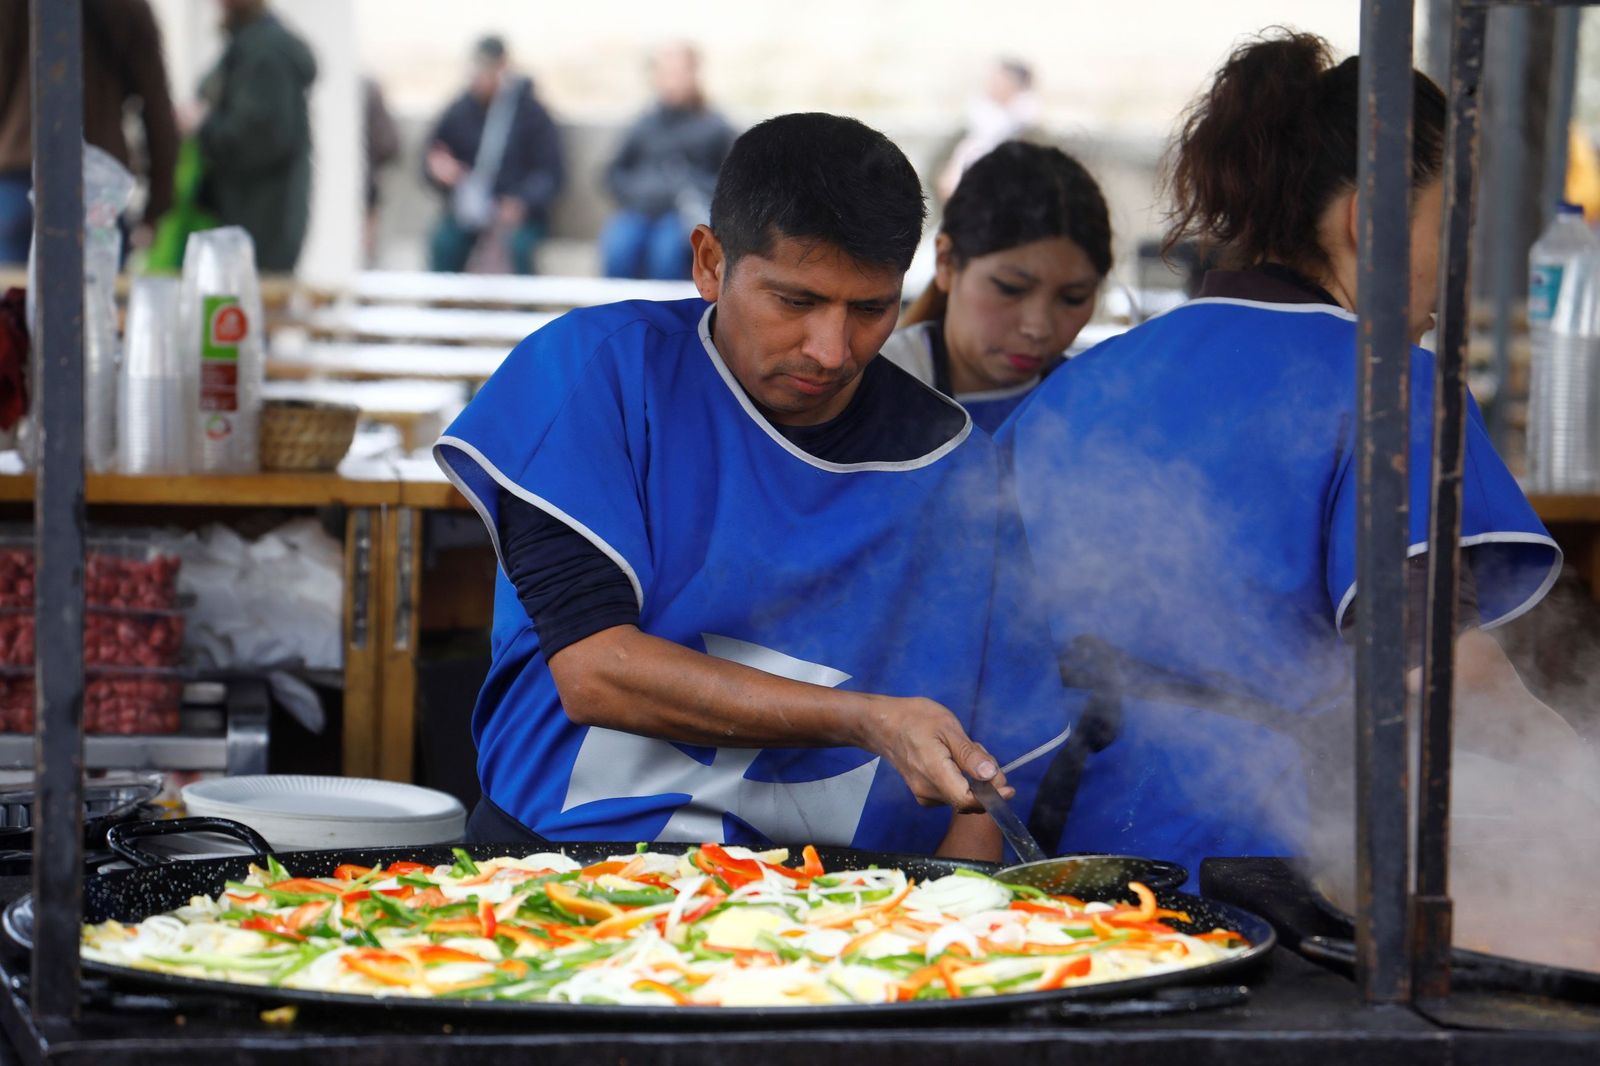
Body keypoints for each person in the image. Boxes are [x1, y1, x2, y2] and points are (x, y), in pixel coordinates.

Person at [992, 32, 1577, 882]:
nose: (1458, 268)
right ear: (1366, 219)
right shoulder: (1387, 383)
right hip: (1259, 869)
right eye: (1452, 228)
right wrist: (1575, 779)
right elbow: (1442, 676)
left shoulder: (1075, 389)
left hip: (1046, 859)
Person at [434, 113, 1054, 854]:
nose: (830, 350)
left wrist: (952, 923)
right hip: (555, 870)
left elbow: (984, 782)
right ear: (709, 261)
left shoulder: (957, 468)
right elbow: (596, 671)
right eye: (795, 302)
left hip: (843, 910)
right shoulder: (598, 374)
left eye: (869, 308)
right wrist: (866, 718)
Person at [883, 141, 1111, 434]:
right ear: (946, 262)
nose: (1038, 328)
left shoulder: (1092, 408)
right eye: (1010, 289)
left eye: (1073, 298)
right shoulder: (869, 390)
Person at [0, 0, 179, 264]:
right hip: (97, 179)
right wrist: (157, 207)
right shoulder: (128, 8)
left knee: (11, 298)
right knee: (98, 297)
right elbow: (157, 110)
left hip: (20, 177)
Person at [190, 0, 316, 274]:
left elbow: (258, 138)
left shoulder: (266, 51)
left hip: (261, 224)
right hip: (249, 221)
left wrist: (202, 125)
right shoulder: (248, 44)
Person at [424, 36, 563, 276]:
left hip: (519, 215)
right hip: (468, 211)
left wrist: (521, 202)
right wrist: (440, 171)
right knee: (444, 243)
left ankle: (525, 311)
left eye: (488, 68)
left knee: (520, 248)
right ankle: (443, 307)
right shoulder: (459, 111)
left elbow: (551, 173)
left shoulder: (532, 114)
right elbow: (432, 154)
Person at [600, 42, 735, 281]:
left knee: (668, 253)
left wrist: (687, 187)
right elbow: (613, 173)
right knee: (619, 248)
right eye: (664, 73)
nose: (671, 81)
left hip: (682, 215)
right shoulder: (644, 124)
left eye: (678, 72)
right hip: (638, 210)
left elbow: (730, 182)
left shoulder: (715, 127)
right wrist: (638, 192)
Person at [935, 58, 1039, 204]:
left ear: (1014, 85)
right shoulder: (977, 119)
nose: (991, 83)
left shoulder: (1026, 127)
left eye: (999, 79)